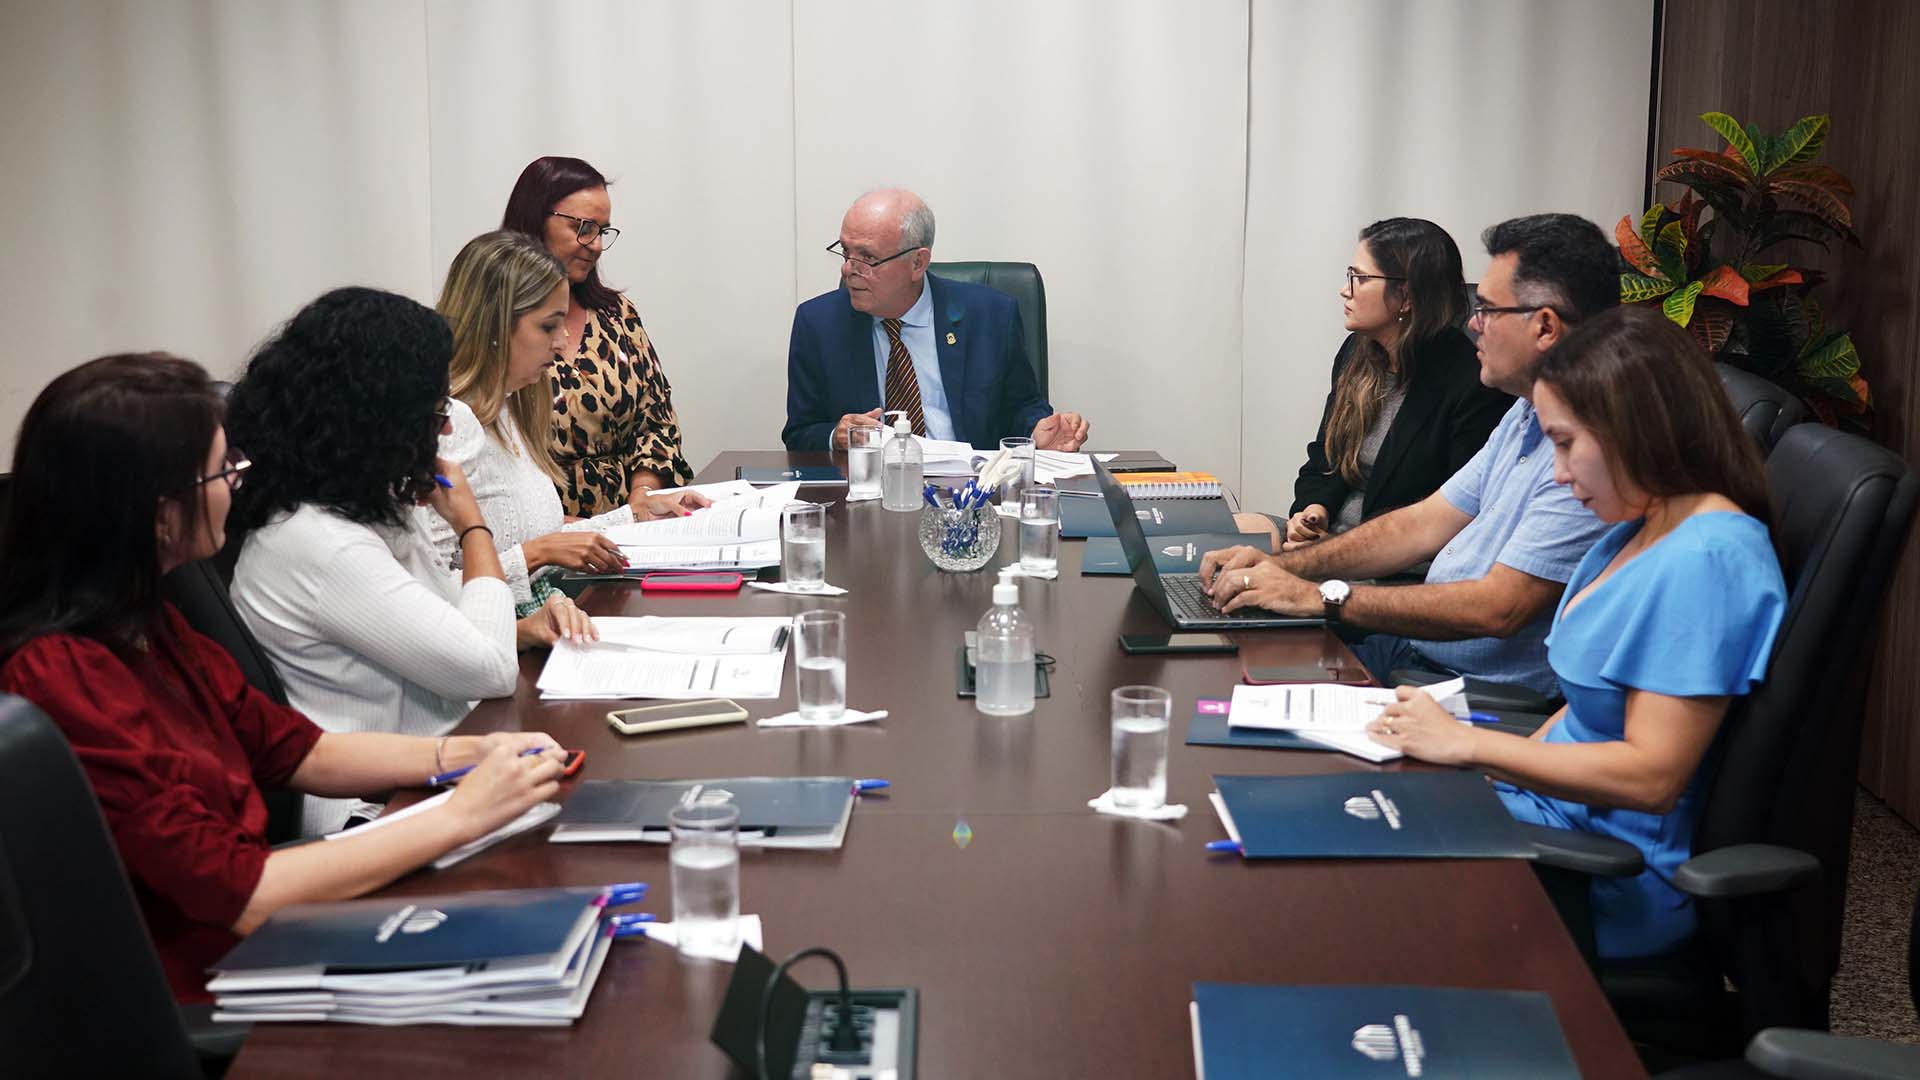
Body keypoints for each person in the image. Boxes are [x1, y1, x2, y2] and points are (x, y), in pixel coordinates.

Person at [0, 353, 565, 1002]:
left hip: (264, 927)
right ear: (158, 513)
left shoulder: (149, 621)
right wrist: (461, 815)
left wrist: (469, 753)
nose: (235, 484)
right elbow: (243, 893)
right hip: (213, 978)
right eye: (221, 471)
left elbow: (299, 749)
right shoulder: (62, 680)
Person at [1366, 306, 1786, 960]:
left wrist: (1467, 749)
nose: (1559, 474)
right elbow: (1585, 709)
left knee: (1346, 882)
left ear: (1634, 429)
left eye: (1565, 443)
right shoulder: (1640, 525)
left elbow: (1651, 776)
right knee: (1352, 813)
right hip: (1547, 816)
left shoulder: (1709, 561)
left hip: (1598, 874)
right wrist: (1469, 773)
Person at [1201, 213, 1619, 698]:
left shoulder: (1589, 454)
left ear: (1544, 326)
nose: (1473, 322)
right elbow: (1419, 523)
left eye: (1487, 309)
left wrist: (1320, 595)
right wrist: (1280, 568)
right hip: (1414, 653)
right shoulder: (1524, 415)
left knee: (1245, 699)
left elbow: (1499, 608)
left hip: (1466, 693)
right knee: (1228, 674)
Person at [226, 287, 591, 835]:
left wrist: (517, 629)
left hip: (430, 766)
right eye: (434, 410)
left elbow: (434, 611)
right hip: (369, 813)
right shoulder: (320, 544)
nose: (444, 430)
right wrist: (472, 525)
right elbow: (489, 671)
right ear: (379, 418)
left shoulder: (354, 504)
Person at [427, 230, 708, 617]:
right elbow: (426, 591)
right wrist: (536, 554)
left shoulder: (510, 412)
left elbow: (544, 540)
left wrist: (636, 515)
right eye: (548, 326)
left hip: (541, 627)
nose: (561, 343)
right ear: (494, 326)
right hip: (497, 644)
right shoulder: (450, 427)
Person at [1240, 217, 1511, 552]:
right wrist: (1314, 510)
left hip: (1387, 559)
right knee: (1230, 532)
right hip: (1327, 538)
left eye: (1360, 278)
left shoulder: (1470, 383)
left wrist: (1334, 552)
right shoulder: (1357, 352)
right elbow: (1325, 459)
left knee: (1242, 563)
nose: (1345, 289)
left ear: (1406, 297)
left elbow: (1448, 520)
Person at [783, 188, 1091, 452]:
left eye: (867, 257)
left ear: (917, 263)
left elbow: (1022, 406)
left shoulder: (992, 316)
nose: (848, 269)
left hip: (971, 491)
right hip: (870, 495)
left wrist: (1037, 432)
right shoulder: (818, 324)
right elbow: (799, 433)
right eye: (846, 251)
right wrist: (833, 435)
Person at [501, 155, 693, 515]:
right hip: (542, 530)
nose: (596, 245)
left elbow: (657, 422)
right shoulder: (497, 319)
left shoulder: (616, 313)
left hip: (630, 528)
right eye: (584, 227)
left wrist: (642, 498)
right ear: (535, 218)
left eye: (602, 230)